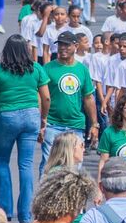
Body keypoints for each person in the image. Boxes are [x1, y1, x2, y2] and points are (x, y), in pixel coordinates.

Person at [0, 34, 50, 223]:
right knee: (26, 164)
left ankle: (5, 210)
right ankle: (25, 213)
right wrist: (43, 119)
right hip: (31, 116)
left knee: (2, 162)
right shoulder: (36, 69)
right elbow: (45, 98)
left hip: (8, 117)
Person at [40, 31, 98, 173]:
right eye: (60, 45)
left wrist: (95, 124)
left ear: (76, 46)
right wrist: (41, 122)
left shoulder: (82, 70)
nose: (63, 48)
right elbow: (40, 97)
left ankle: (71, 195)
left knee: (74, 166)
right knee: (49, 165)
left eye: (66, 45)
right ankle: (45, 194)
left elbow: (89, 98)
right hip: (52, 124)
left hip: (75, 125)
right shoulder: (47, 68)